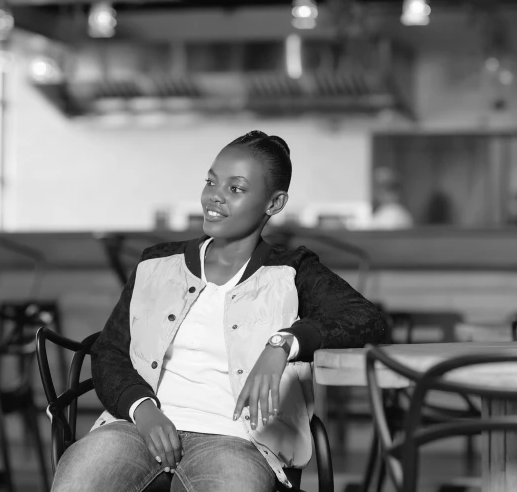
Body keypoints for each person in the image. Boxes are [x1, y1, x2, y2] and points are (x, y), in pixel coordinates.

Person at [51, 131, 388, 492]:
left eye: (236, 189)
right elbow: (110, 353)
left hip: (236, 442)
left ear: (274, 204)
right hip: (137, 429)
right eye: (211, 181)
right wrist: (142, 409)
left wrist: (283, 344)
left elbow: (365, 318)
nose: (214, 196)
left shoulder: (292, 271)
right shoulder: (157, 264)